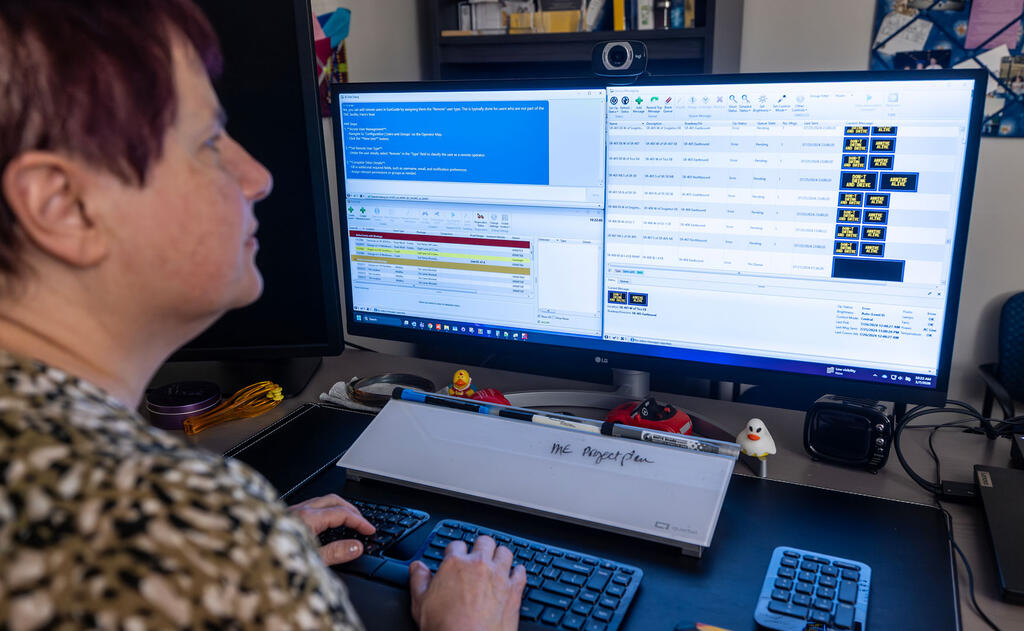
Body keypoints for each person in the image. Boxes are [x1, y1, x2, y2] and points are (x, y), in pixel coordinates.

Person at [0, 1, 525, 629]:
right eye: (208, 143)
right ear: (61, 204)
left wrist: (247, 558)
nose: (258, 178)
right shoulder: (190, 530)